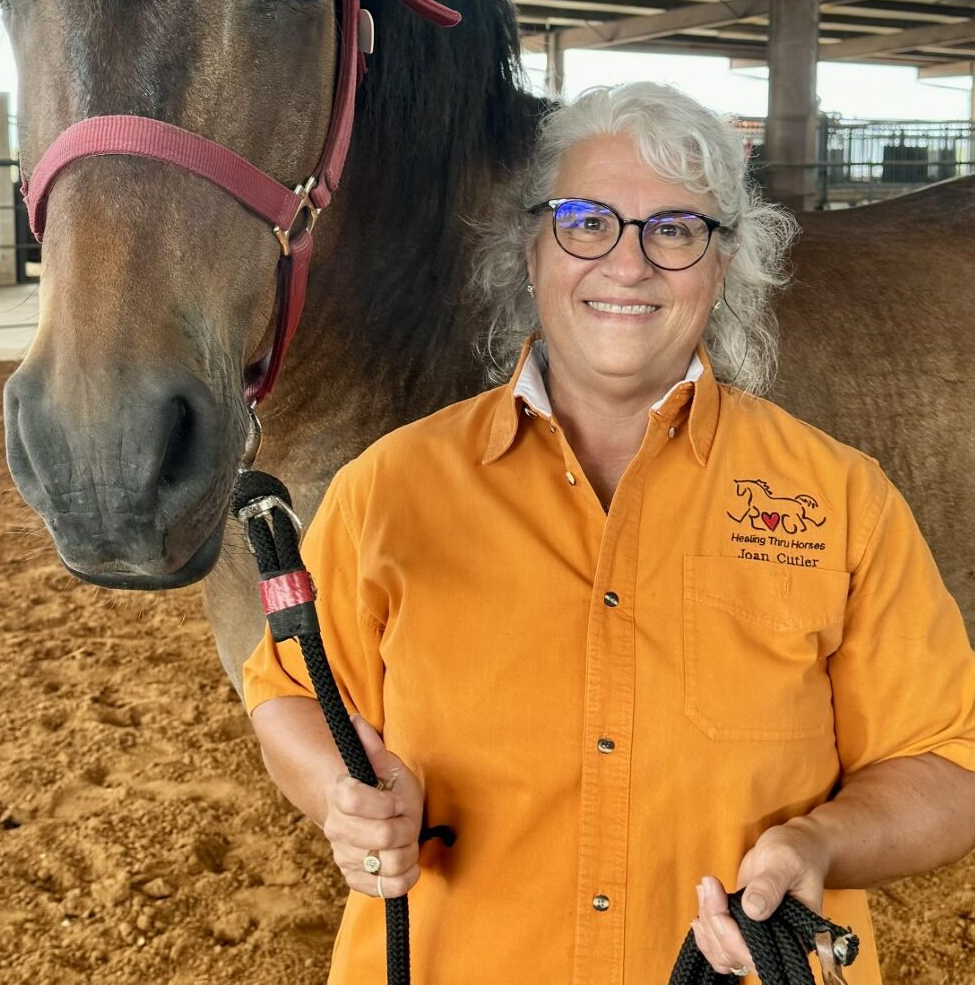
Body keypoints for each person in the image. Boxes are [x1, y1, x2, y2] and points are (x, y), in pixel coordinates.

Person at [243, 82, 975, 983]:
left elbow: (946, 762)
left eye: (675, 230)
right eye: (587, 221)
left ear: (727, 264)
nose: (628, 266)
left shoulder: (843, 500)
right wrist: (339, 798)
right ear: (531, 248)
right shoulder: (386, 491)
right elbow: (291, 693)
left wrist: (822, 845)